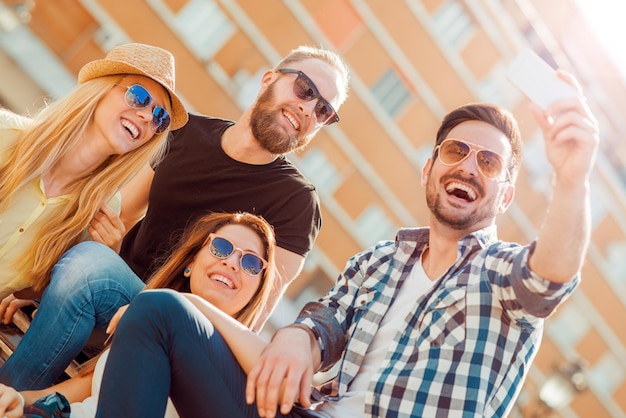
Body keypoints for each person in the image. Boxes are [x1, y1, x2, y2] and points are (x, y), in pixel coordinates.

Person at [90, 70, 598, 418]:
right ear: (429, 168)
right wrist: (296, 337)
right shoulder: (379, 261)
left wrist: (572, 181)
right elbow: (322, 325)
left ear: (505, 195)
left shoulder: (502, 278)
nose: (468, 166)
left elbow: (547, 278)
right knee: (158, 311)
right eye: (456, 151)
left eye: (488, 163)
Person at [0, 45, 350, 390]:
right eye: (305, 89)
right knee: (82, 259)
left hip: (177, 332)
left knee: (88, 265)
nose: (308, 109)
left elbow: (250, 317)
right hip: (111, 295)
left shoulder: (298, 203)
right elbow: (116, 217)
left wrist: (85, 273)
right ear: (269, 79)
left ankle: (12, 398)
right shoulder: (185, 133)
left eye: (323, 111)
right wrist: (51, 282)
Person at [0, 211, 278, 418]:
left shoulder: (239, 368)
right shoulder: (145, 323)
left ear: (256, 292)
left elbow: (277, 377)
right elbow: (77, 390)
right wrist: (16, 400)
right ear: (190, 263)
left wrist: (188, 303)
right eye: (222, 247)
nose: (231, 263)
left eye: (251, 263)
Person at [0, 42, 186, 301]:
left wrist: (97, 259)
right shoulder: (5, 133)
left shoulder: (104, 209)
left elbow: (32, 289)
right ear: (101, 90)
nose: (146, 116)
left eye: (159, 116)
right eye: (139, 96)